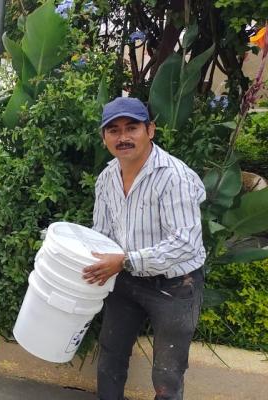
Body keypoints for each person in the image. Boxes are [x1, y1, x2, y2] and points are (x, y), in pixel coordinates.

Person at [84, 97, 206, 400]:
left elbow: (185, 243)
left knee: (168, 372)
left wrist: (124, 262)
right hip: (125, 280)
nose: (123, 137)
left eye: (131, 128)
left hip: (176, 286)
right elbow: (103, 233)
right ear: (104, 138)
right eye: (113, 130)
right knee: (111, 355)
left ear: (150, 130)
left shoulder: (173, 177)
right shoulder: (107, 178)